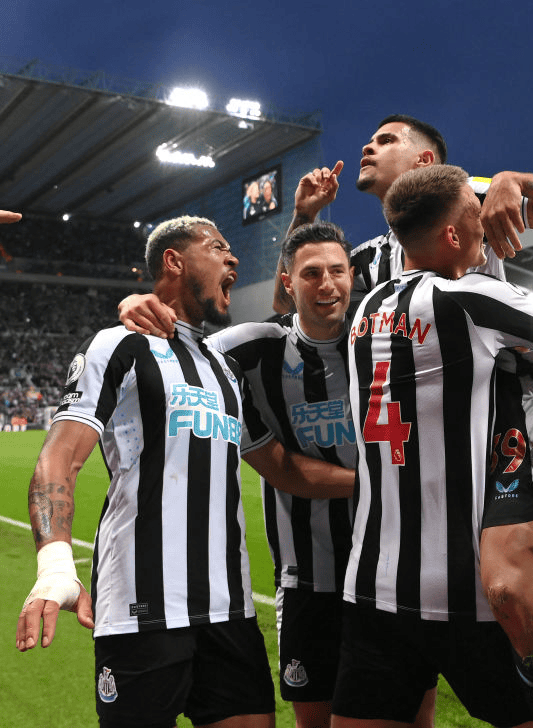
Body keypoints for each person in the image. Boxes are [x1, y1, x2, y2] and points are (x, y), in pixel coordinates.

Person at [276, 114, 533, 727]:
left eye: (386, 139)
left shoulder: (370, 296)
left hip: (376, 569)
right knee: (515, 612)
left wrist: (511, 181)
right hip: (462, 562)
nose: (368, 146)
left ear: (424, 163)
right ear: (456, 233)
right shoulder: (437, 277)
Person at [16, 216, 353, 728]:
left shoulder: (225, 368)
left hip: (231, 611)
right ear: (173, 261)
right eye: (217, 247)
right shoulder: (119, 346)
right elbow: (60, 457)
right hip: (142, 609)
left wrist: (375, 480)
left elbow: (283, 470)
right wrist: (56, 567)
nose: (233, 258)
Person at [117, 222, 425, 728]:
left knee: (411, 716)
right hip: (308, 577)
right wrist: (137, 304)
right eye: (311, 274)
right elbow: (181, 343)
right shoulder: (253, 346)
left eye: (337, 271)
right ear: (288, 282)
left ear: (352, 277)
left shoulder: (384, 341)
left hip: (391, 569)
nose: (326, 284)